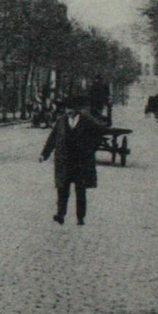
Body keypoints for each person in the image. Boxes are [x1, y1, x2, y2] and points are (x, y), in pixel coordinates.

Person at [40, 95, 106, 225]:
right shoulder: (61, 121)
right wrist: (44, 154)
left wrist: (90, 149)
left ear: (77, 109)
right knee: (62, 189)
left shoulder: (87, 121)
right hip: (64, 161)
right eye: (66, 108)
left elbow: (99, 133)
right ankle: (60, 215)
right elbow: (52, 138)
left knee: (80, 190)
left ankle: (80, 217)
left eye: (70, 108)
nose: (68, 111)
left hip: (80, 162)